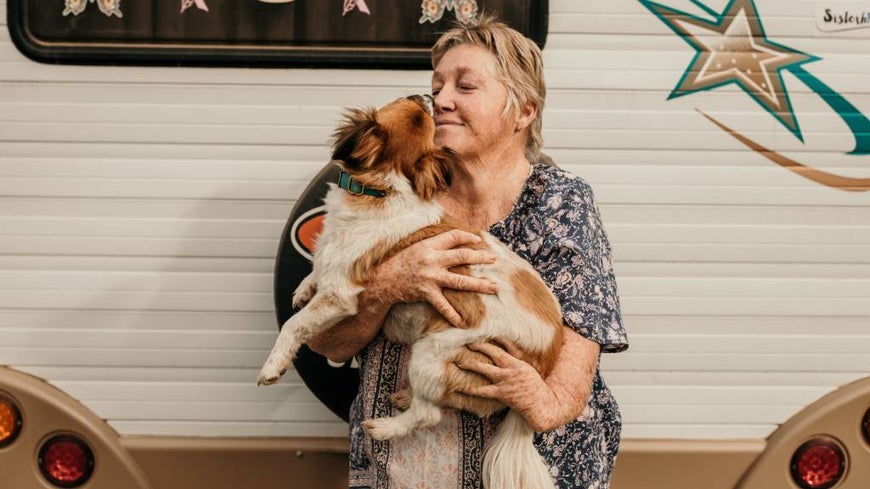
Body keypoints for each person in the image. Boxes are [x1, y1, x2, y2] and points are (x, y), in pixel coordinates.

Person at [308, 14, 629, 489]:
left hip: (529, 471)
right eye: (436, 85)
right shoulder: (395, 194)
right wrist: (390, 284)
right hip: (398, 466)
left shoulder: (559, 201)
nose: (441, 100)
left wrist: (538, 400)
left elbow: (581, 345)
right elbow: (326, 342)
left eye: (466, 86)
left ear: (523, 112)